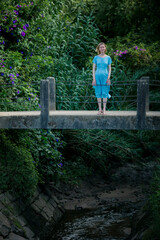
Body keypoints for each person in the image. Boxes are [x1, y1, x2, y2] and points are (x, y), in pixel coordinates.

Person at [92, 42, 112, 115]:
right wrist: (94, 79)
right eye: (101, 47)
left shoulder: (108, 57)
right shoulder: (96, 57)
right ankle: (99, 109)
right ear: (99, 49)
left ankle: (104, 110)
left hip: (105, 77)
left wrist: (109, 78)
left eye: (103, 47)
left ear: (105, 48)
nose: (102, 48)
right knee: (98, 93)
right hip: (97, 77)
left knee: (105, 92)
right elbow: (93, 68)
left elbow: (110, 68)